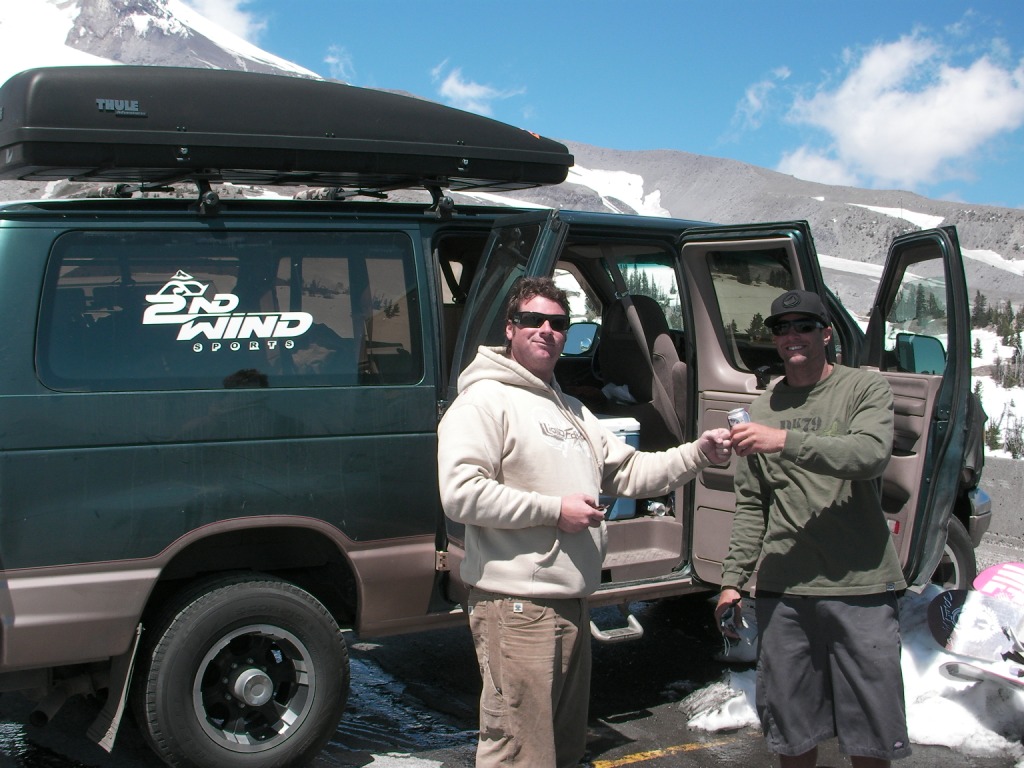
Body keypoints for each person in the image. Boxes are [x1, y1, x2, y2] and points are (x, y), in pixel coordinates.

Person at [438, 277, 731, 768]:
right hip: (517, 608)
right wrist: (555, 510)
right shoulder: (484, 401)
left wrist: (699, 452)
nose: (547, 330)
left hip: (571, 603)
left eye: (558, 323)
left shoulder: (571, 409)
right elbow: (461, 494)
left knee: (561, 749)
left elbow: (632, 471)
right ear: (510, 329)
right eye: (533, 320)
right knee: (517, 752)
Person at [714, 289, 910, 768]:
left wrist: (785, 440)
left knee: (870, 734)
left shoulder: (863, 389)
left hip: (860, 586)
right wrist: (732, 581)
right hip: (786, 590)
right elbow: (752, 504)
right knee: (791, 729)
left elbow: (869, 455)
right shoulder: (760, 410)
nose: (791, 336)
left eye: (803, 326)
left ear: (826, 334)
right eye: (781, 329)